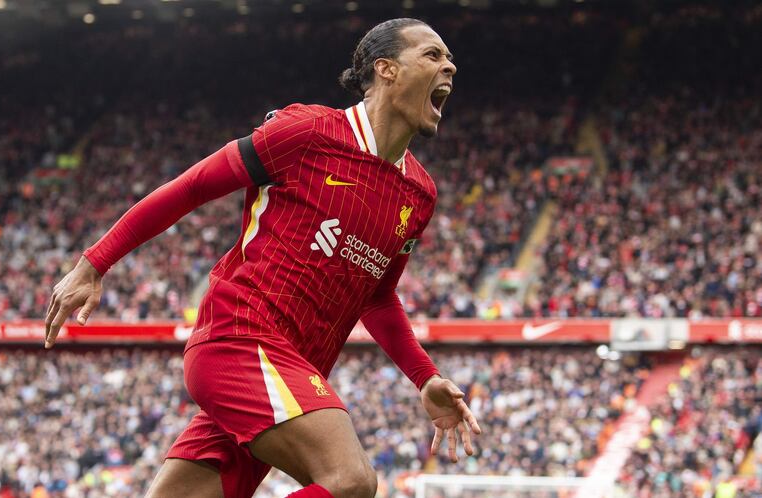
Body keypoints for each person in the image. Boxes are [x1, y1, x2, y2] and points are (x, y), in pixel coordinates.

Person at [44, 18, 482, 498]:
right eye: (433, 55)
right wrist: (94, 263)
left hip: (289, 372)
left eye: (450, 58)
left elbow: (376, 297)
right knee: (351, 480)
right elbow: (192, 187)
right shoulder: (307, 132)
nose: (450, 66)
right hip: (241, 339)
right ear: (387, 69)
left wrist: (425, 376)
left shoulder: (419, 193)